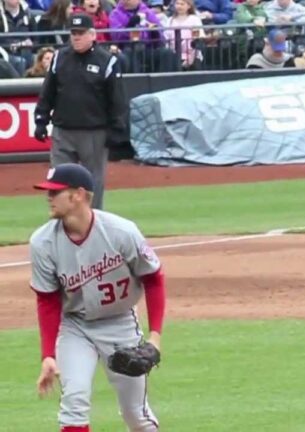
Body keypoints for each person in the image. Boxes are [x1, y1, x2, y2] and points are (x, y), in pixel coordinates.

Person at [30, 163, 166, 432]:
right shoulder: (42, 243)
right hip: (75, 327)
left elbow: (153, 279)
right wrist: (48, 355)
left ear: (78, 195)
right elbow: (47, 300)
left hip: (120, 323)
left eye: (55, 192)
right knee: (74, 405)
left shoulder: (121, 232)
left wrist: (155, 338)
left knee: (135, 414)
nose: (48, 197)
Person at [33, 14, 127, 210]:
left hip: (94, 131)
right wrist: (41, 120)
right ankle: (61, 220)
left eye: (80, 33)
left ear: (92, 35)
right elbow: (47, 92)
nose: (76, 37)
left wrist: (117, 129)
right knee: (58, 179)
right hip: (63, 130)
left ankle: (94, 222)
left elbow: (116, 99)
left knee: (93, 182)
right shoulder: (60, 57)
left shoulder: (107, 61)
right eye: (73, 33)